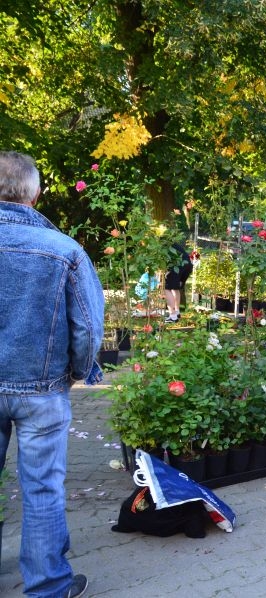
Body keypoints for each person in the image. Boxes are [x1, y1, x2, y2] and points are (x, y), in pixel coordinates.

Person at [0, 151, 102, 597]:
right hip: (41, 389)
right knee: (42, 489)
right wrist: (77, 372)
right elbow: (89, 327)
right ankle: (47, 586)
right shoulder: (65, 250)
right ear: (36, 193)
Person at [164, 242, 193, 322]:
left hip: (177, 266)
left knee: (166, 288)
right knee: (175, 288)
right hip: (187, 265)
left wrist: (167, 270)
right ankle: (177, 312)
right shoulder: (172, 242)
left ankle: (173, 316)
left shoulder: (162, 244)